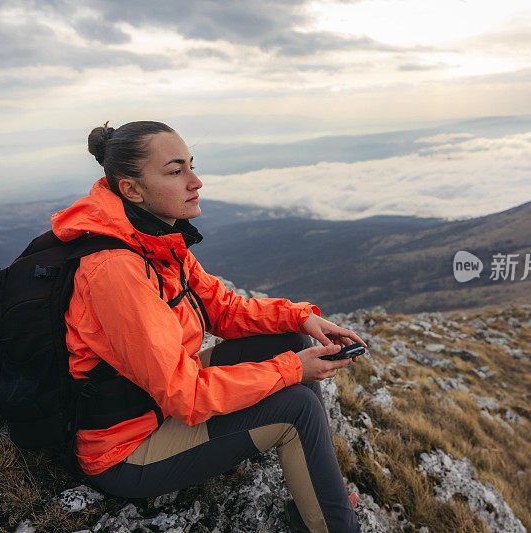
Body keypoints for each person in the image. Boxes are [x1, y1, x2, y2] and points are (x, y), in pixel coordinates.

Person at [50, 120, 365, 532]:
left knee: (289, 339)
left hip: (154, 402)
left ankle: (321, 496)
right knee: (296, 407)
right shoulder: (118, 271)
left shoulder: (151, 238)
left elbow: (224, 310)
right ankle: (333, 524)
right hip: (127, 449)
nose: (196, 182)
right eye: (175, 171)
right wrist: (294, 370)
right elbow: (187, 397)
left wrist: (300, 315)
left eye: (191, 166)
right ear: (131, 189)